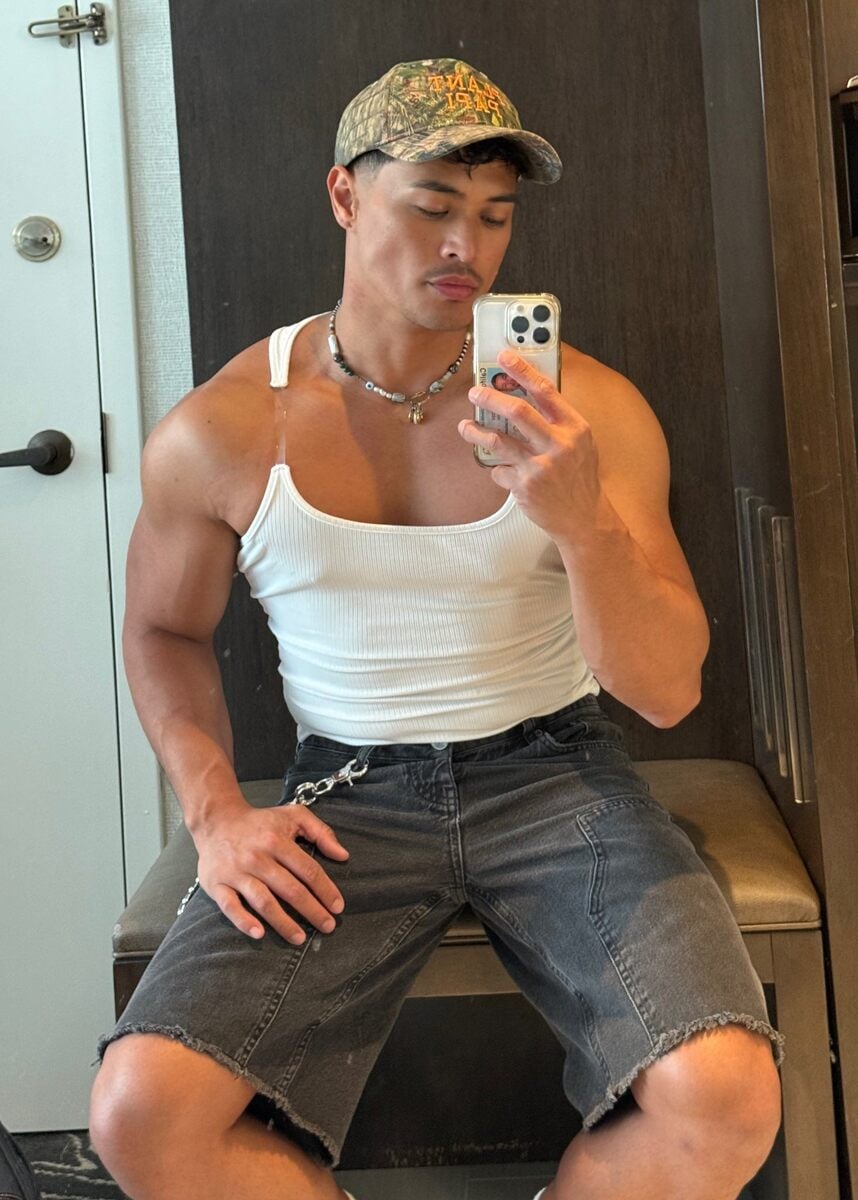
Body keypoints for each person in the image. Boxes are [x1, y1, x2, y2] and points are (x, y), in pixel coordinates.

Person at [89, 58, 784, 1200]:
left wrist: (579, 520)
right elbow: (163, 631)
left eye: (496, 216)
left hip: (556, 772)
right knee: (141, 1113)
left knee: (725, 1094)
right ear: (345, 195)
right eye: (432, 206)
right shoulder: (227, 426)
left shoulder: (587, 410)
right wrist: (215, 815)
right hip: (348, 791)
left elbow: (666, 691)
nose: (468, 246)